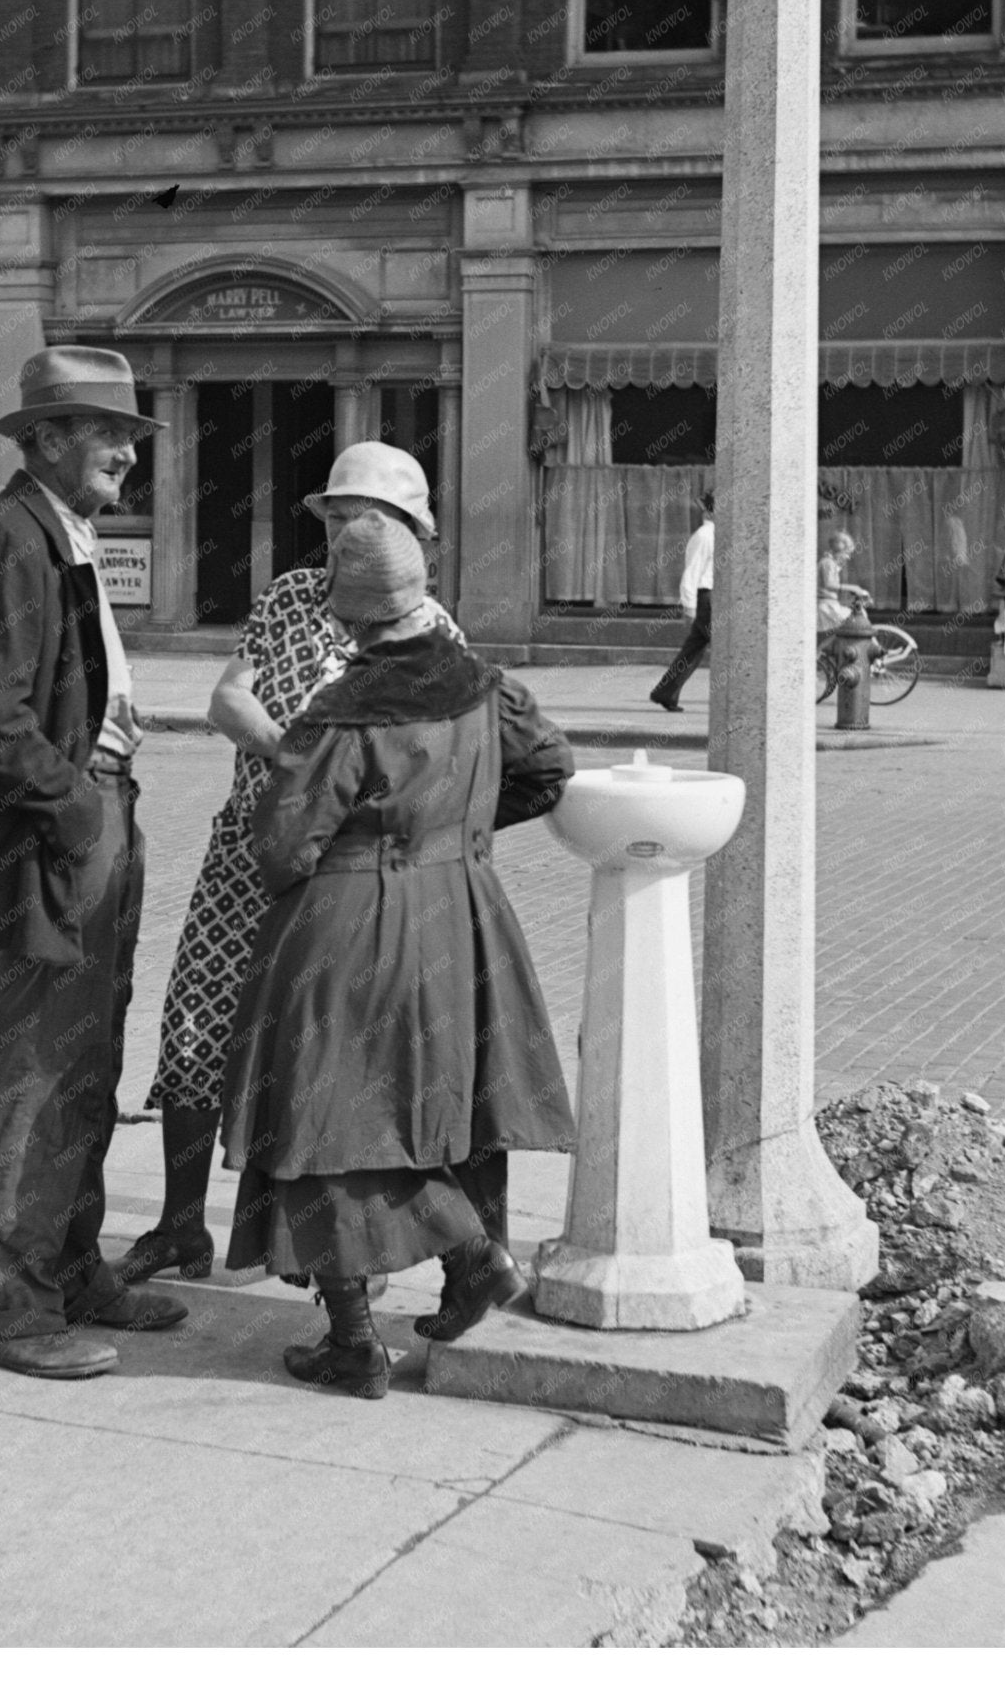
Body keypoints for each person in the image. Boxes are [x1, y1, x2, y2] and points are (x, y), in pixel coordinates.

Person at [220, 511, 577, 1400]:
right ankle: (465, 1272)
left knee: (325, 1121)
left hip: (349, 928)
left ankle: (374, 1327)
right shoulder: (487, 686)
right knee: (432, 1107)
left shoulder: (345, 713)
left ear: (348, 616)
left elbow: (283, 845)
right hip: (461, 916)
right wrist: (453, 834)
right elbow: (549, 770)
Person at [117, 442, 465, 1286]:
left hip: (340, 884)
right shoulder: (290, 599)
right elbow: (227, 697)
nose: (347, 534)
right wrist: (285, 752)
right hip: (246, 850)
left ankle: (347, 1252)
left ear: (412, 536)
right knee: (197, 1022)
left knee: (330, 1058)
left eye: (366, 520)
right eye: (339, 519)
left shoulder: (431, 632)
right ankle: (180, 1225)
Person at [0, 347, 188, 1380]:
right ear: (41, 439)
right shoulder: (8, 537)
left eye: (128, 433)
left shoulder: (55, 529)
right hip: (65, 826)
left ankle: (68, 1265)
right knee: (35, 1064)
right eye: (103, 430)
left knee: (86, 1058)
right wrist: (78, 805)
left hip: (96, 814)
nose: (126, 450)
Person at [648, 491, 714, 714]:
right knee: (731, 648)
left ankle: (666, 692)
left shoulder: (717, 535)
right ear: (711, 511)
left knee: (693, 649)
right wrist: (690, 607)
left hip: (713, 598)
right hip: (707, 598)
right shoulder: (705, 535)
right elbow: (692, 572)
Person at [817, 530, 871, 634]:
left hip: (829, 605)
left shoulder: (830, 563)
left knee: (856, 618)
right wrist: (853, 588)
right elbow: (829, 584)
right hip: (826, 608)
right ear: (839, 551)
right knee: (858, 617)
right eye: (847, 553)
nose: (848, 557)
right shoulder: (828, 563)